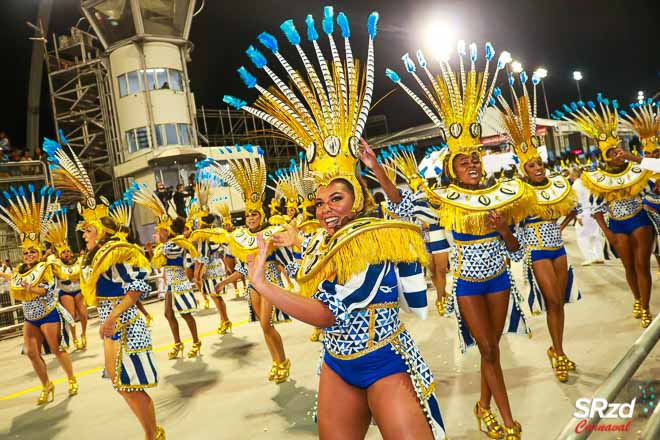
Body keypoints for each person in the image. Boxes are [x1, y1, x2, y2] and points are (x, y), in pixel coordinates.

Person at [224, 8, 447, 438]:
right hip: (336, 363)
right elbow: (311, 282)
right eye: (320, 201)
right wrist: (283, 251)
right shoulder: (320, 242)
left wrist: (263, 284)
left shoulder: (372, 236)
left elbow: (328, 312)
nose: (325, 208)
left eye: (337, 198)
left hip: (384, 358)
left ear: (358, 199)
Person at [387, 41, 533, 439]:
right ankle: (505, 418)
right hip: (468, 284)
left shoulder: (504, 193)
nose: (472, 162)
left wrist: (503, 228)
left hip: (500, 279)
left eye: (475, 158)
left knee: (493, 349)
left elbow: (518, 248)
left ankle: (482, 405)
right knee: (487, 349)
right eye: (463, 160)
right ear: (451, 167)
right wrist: (377, 172)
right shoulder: (441, 199)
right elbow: (401, 208)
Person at [44, 133, 164, 439]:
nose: (83, 234)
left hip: (126, 324)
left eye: (87, 230)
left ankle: (153, 435)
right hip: (112, 323)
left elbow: (138, 286)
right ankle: (153, 431)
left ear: (99, 229)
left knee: (130, 386)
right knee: (120, 384)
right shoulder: (96, 255)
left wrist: (111, 317)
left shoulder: (116, 252)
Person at [492, 73, 582, 382]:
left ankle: (558, 349)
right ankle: (557, 351)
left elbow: (571, 208)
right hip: (538, 253)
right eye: (531, 165)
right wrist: (505, 230)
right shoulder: (516, 195)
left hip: (558, 249)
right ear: (523, 169)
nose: (538, 166)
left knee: (560, 303)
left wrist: (560, 222)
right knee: (553, 300)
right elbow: (512, 236)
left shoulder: (557, 186)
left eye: (539, 162)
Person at [553, 95, 655, 328]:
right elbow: (596, 207)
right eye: (611, 153)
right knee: (629, 267)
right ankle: (637, 299)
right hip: (616, 225)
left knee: (642, 265)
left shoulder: (637, 168)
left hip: (639, 220)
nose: (616, 155)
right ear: (604, 155)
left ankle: (647, 306)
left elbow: (653, 183)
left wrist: (635, 159)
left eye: (618, 150)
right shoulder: (596, 178)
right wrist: (607, 232)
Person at [205, 145, 294, 384]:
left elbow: (287, 260)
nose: (250, 218)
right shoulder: (241, 237)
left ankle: (283, 360)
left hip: (270, 281)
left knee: (267, 322)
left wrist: (301, 279)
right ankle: (277, 362)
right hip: (253, 284)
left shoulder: (272, 232)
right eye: (247, 215)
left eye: (254, 215)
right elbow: (244, 268)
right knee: (264, 328)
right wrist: (224, 281)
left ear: (261, 215)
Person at [0, 185, 78, 405]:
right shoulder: (20, 270)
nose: (28, 255)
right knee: (32, 354)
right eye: (25, 252)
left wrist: (30, 288)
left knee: (56, 349)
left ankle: (71, 379)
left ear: (40, 251)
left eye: (32, 251)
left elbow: (50, 290)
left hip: (48, 312)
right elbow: (11, 280)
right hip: (30, 316)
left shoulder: (47, 266)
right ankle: (47, 385)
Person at [129, 183, 203, 359]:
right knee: (168, 314)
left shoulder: (176, 243)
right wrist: (150, 251)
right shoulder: (167, 245)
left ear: (167, 231)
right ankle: (178, 343)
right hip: (171, 284)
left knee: (185, 315)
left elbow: (167, 257)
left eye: (160, 230)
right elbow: (158, 263)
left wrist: (155, 249)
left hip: (180, 283)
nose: (157, 233)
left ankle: (196, 341)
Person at [46, 209, 88, 350]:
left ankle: (84, 334)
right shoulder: (56, 264)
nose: (66, 253)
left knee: (83, 314)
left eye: (67, 251)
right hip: (65, 292)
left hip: (78, 290)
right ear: (59, 254)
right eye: (63, 252)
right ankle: (75, 337)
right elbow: (47, 265)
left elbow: (86, 270)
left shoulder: (79, 261)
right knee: (71, 316)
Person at [569, 168, 605, 265]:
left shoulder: (576, 185)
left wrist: (579, 215)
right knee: (595, 235)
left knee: (582, 236)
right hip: (594, 211)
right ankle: (599, 256)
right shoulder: (587, 182)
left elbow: (578, 201)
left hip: (584, 212)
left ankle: (590, 257)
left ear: (573, 175)